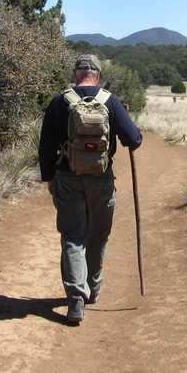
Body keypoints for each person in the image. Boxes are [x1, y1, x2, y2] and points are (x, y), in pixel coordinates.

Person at [39, 53, 143, 325]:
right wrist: (133, 128)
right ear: (97, 74)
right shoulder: (110, 101)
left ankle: (75, 299)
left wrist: (49, 176)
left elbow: (45, 145)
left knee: (73, 237)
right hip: (101, 179)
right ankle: (92, 290)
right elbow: (134, 140)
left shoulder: (60, 101)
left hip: (66, 176)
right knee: (98, 235)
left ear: (76, 74)